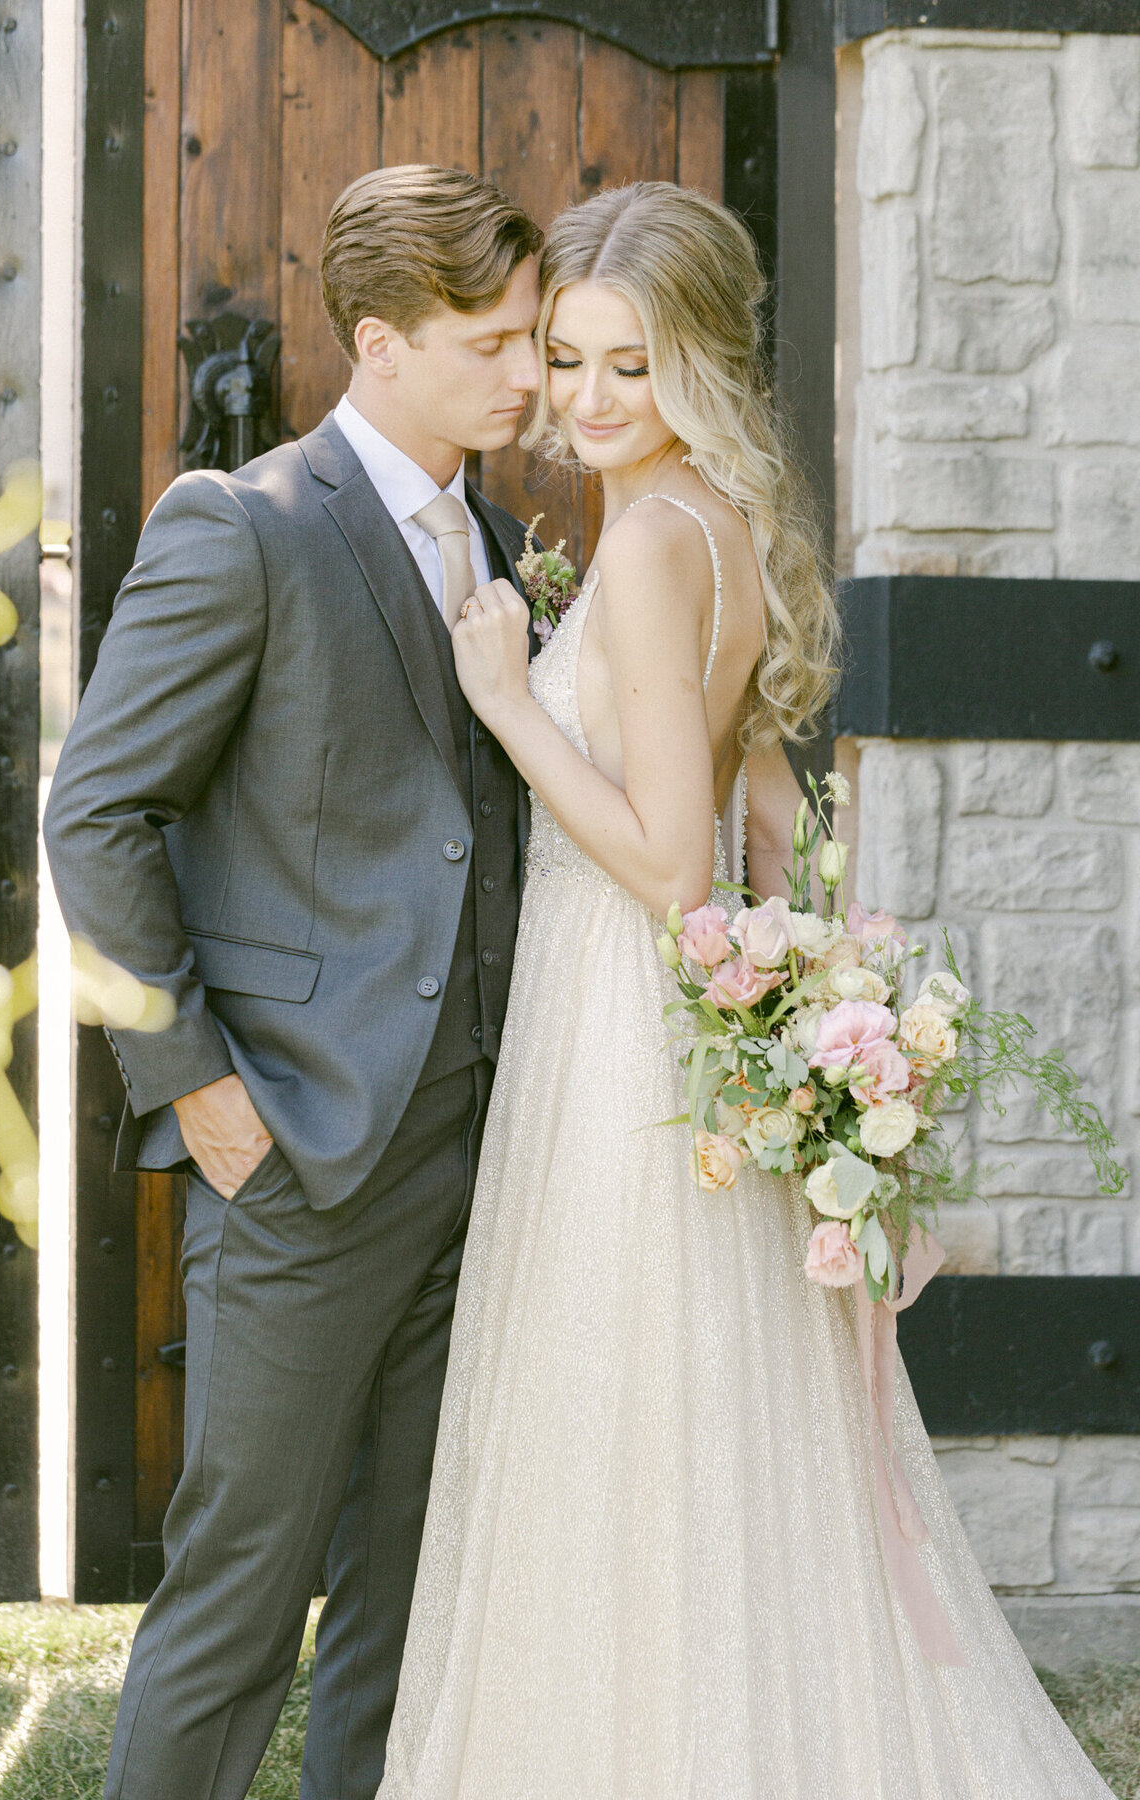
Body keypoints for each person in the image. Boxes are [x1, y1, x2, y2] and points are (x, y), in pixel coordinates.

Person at [375, 182, 1116, 1799]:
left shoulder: (644, 545)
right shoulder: (721, 519)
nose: (582, 400)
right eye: (564, 359)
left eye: (626, 366)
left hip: (618, 1012)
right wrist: (802, 1007)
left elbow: (666, 862)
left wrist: (508, 700)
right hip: (690, 1022)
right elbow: (769, 812)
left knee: (618, 1403)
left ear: (697, 360)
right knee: (706, 1403)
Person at [43, 164, 544, 1800]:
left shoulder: (503, 538)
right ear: (381, 343)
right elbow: (97, 812)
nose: (530, 377)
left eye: (533, 337)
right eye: (494, 343)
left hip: (480, 1158)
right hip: (300, 1155)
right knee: (242, 1601)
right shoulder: (239, 525)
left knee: (409, 1606)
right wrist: (195, 1085)